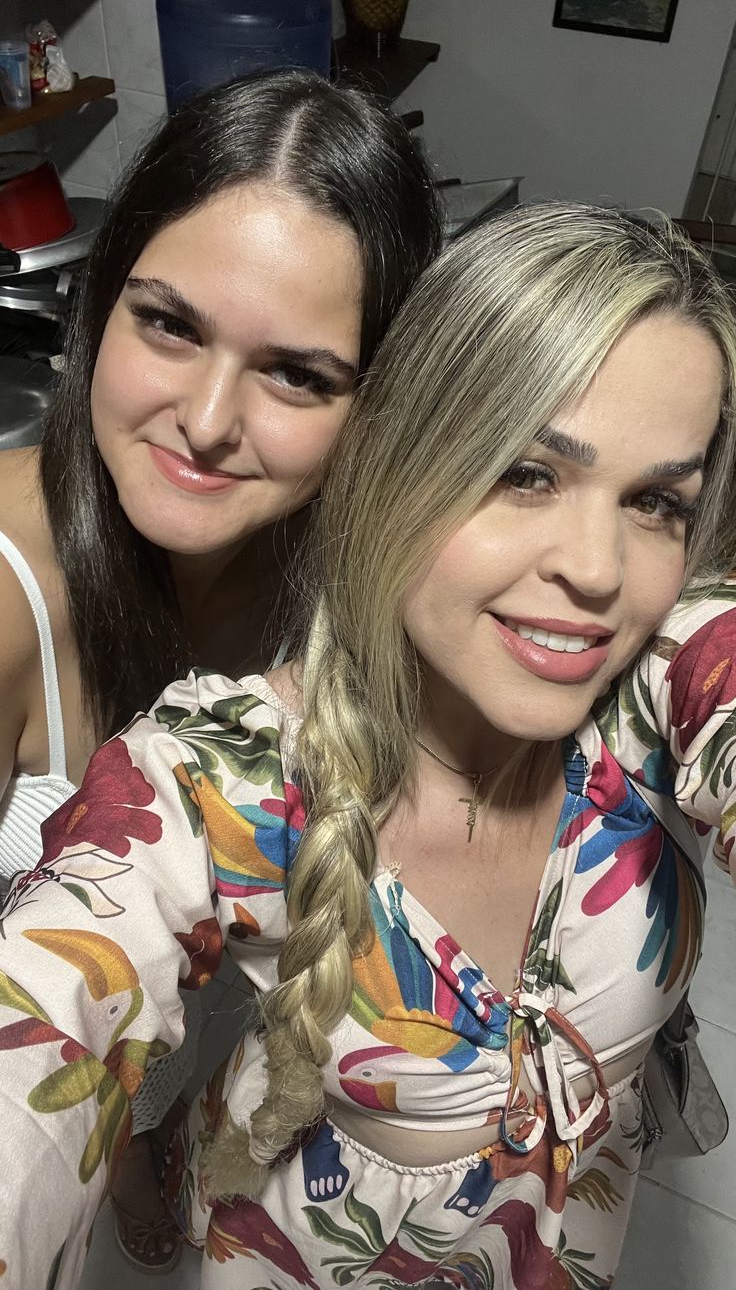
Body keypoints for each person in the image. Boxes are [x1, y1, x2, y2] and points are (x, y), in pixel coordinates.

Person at [0, 202, 734, 1290]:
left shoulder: (657, 676)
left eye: (654, 502)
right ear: (395, 464)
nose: (598, 570)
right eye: (525, 473)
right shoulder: (221, 778)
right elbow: (46, 1022)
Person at [0, 67, 441, 1273]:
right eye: (169, 324)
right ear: (103, 301)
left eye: (297, 374)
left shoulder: (368, 576)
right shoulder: (7, 587)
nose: (203, 420)